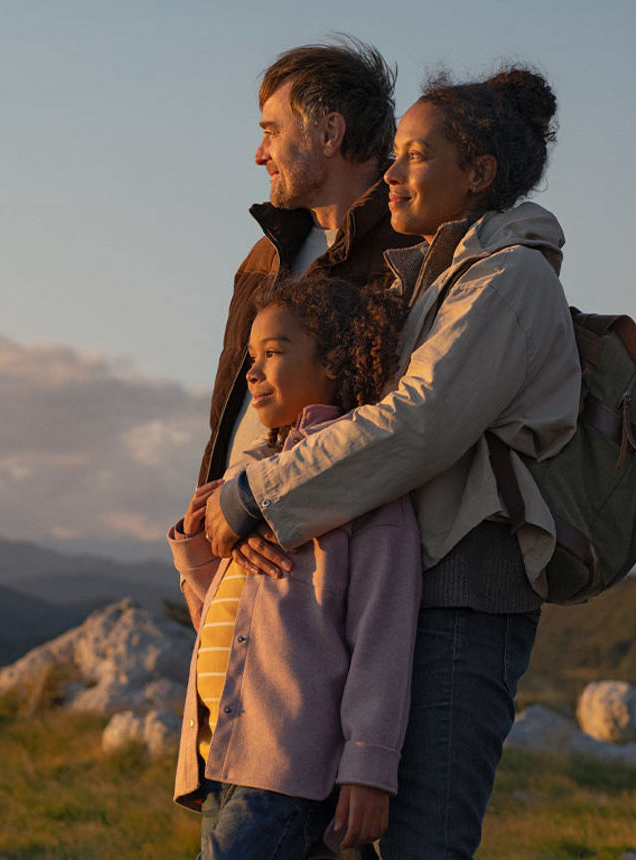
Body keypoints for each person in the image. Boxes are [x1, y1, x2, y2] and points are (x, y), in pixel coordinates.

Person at [205, 67, 582, 858]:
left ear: (478, 174)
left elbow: (416, 425)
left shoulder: (508, 280)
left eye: (416, 155)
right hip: (413, 588)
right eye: (396, 152)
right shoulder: (443, 278)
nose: (392, 171)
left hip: (463, 596)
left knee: (422, 843)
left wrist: (260, 493)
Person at [170, 277, 422, 859]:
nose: (252, 371)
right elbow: (219, 619)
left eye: (273, 352)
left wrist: (369, 766)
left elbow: (382, 640)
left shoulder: (362, 482)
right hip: (220, 754)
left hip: (284, 766)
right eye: (250, 356)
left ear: (332, 360)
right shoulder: (250, 478)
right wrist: (197, 540)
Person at [197, 37, 421, 486]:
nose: (259, 154)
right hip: (234, 516)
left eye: (272, 131)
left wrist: (260, 500)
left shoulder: (410, 253)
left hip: (326, 520)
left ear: (329, 134)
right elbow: (230, 417)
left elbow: (402, 423)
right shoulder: (264, 257)